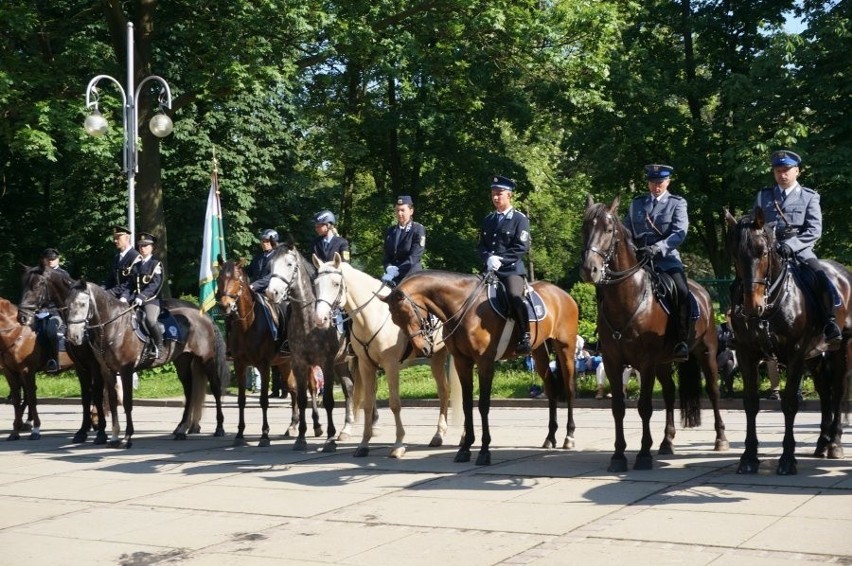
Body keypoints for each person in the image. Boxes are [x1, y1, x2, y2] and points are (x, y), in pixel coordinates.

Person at [753, 150, 841, 348]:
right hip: (768, 251)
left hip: (799, 250)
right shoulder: (763, 196)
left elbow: (814, 230)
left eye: (786, 170)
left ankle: (830, 323)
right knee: (744, 280)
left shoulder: (810, 197)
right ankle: (739, 327)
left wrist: (790, 246)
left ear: (797, 171)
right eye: (778, 170)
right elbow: (754, 226)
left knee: (820, 277)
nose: (782, 174)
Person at [625, 164, 690, 362]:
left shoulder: (677, 203)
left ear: (668, 181)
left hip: (666, 260)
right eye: (653, 182)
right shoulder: (637, 204)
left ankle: (681, 339)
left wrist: (657, 248)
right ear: (648, 183)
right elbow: (626, 231)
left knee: (682, 292)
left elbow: (679, 233)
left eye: (660, 182)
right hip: (639, 261)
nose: (656, 186)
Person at [477, 175, 532, 354]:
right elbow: (481, 246)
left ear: (509, 195)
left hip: (511, 270)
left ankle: (525, 336)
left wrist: (501, 260)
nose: (495, 197)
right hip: (489, 270)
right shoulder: (488, 220)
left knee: (514, 296)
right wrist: (488, 258)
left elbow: (521, 247)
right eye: (493, 193)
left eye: (499, 193)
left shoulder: (519, 219)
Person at [118, 232, 164, 358]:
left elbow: (155, 285)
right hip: (135, 299)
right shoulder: (136, 265)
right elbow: (130, 285)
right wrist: (124, 296)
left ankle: (160, 346)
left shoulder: (156, 264)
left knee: (150, 319)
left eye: (146, 246)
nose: (143, 248)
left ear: (152, 248)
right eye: (140, 246)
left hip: (151, 300)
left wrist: (142, 296)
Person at [381, 195, 426, 285]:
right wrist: (388, 268)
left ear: (411, 211)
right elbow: (386, 254)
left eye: (402, 210)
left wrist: (398, 271)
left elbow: (414, 256)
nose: (399, 213)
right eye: (397, 210)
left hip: (411, 276)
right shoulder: (390, 231)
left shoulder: (417, 229)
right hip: (392, 276)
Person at [38, 248, 70, 373]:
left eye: (53, 259)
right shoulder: (39, 274)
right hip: (41, 309)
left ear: (58, 259)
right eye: (48, 259)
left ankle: (54, 360)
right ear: (44, 260)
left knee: (51, 330)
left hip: (58, 311)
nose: (51, 261)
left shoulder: (63, 274)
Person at [103, 225, 140, 297]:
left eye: (118, 238)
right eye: (114, 238)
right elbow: (110, 278)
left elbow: (130, 282)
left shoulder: (135, 257)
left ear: (127, 238)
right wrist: (101, 288)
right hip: (114, 294)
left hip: (128, 295)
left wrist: (111, 292)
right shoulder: (117, 257)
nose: (115, 241)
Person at [246, 228, 280, 294]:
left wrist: (254, 285)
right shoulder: (257, 258)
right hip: (255, 291)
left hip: (271, 292)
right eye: (263, 241)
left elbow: (270, 277)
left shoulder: (278, 258)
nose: (264, 244)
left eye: (267, 241)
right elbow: (248, 272)